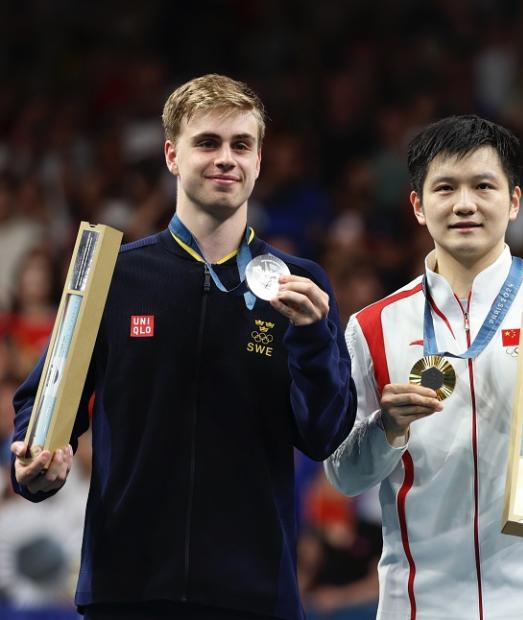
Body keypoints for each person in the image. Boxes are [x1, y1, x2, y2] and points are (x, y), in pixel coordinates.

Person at [9, 74, 357, 619]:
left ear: (259, 161)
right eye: (208, 143)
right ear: (172, 155)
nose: (226, 158)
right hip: (129, 588)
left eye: (241, 145)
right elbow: (45, 402)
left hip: (254, 591)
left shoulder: (298, 284)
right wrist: (36, 465)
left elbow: (324, 434)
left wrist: (313, 339)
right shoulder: (113, 276)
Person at [324, 114, 523, 618]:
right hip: (418, 603)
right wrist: (388, 428)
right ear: (418, 207)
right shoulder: (372, 326)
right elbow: (342, 474)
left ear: (513, 200)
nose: (464, 203)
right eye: (445, 188)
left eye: (483, 186)